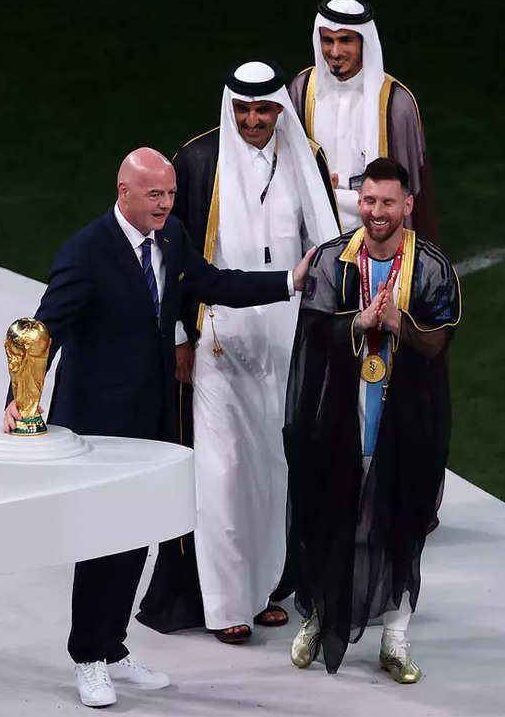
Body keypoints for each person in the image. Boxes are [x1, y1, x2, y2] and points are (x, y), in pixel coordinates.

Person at [3, 147, 316, 708]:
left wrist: (289, 281)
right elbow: (43, 330)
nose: (167, 205)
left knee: (134, 537)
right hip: (96, 428)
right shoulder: (86, 252)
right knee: (99, 542)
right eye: (155, 195)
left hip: (151, 419)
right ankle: (88, 659)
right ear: (123, 190)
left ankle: (114, 647)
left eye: (170, 195)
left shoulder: (170, 239)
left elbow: (214, 283)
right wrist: (18, 401)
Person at [137, 62, 341, 645]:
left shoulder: (307, 159)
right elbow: (167, 256)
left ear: (280, 108)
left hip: (287, 339)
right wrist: (178, 336)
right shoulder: (199, 161)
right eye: (243, 110)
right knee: (221, 471)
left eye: (264, 109)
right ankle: (224, 601)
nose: (252, 121)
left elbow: (322, 248)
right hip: (218, 336)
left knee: (272, 472)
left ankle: (262, 589)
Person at [285, 158, 460, 680]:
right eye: (369, 201)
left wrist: (397, 323)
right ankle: (320, 615)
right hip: (339, 414)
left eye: (388, 202)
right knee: (328, 515)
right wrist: (357, 324)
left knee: (400, 522)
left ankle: (395, 639)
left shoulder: (432, 266)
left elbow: (438, 343)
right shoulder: (332, 261)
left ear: (408, 205)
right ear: (358, 202)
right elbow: (312, 337)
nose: (377, 212)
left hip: (405, 419)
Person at [289, 0, 438, 241]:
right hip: (316, 221)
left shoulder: (395, 103)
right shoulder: (302, 90)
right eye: (328, 41)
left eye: (345, 40)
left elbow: (410, 189)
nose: (335, 52)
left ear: (363, 41)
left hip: (375, 224)